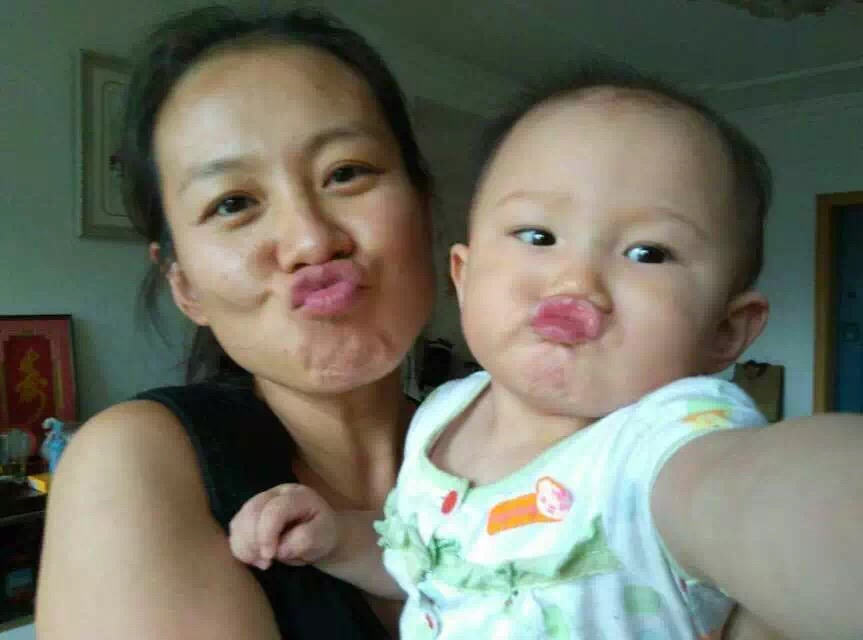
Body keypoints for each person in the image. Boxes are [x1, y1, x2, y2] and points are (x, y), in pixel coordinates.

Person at [230, 66, 863, 640]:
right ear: (464, 277)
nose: (576, 279)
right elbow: (428, 565)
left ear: (726, 330)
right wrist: (337, 537)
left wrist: (817, 510)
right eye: (537, 235)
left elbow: (761, 496)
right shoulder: (440, 417)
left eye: (647, 253)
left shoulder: (658, 444)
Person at [36, 6, 437, 639]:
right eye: (233, 204)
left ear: (424, 207)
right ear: (185, 285)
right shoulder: (136, 465)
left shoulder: (523, 444)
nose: (310, 241)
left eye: (347, 173)